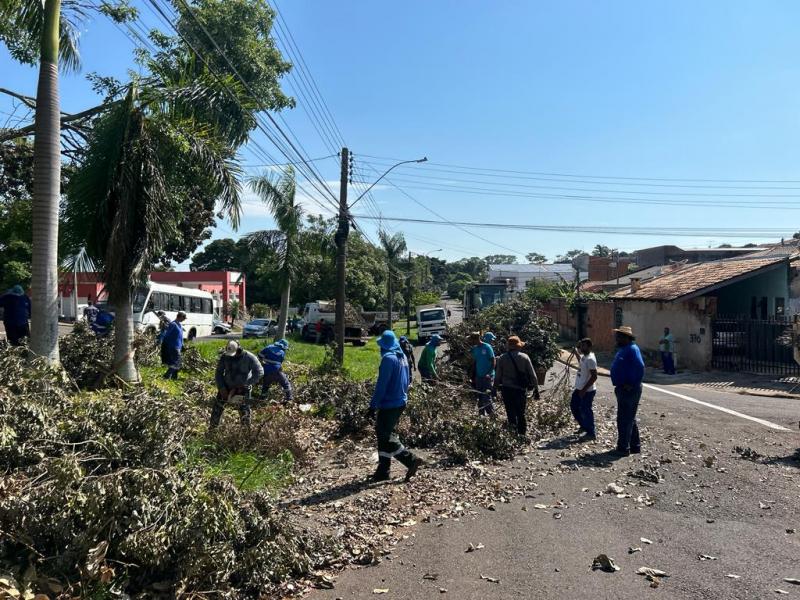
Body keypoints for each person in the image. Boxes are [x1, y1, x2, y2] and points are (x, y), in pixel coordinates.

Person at [368, 330, 422, 482]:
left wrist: (373, 406)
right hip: (400, 401)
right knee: (383, 436)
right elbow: (407, 379)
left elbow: (381, 386)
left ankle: (410, 460)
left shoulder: (388, 359)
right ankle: (383, 471)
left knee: (385, 435)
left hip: (389, 404)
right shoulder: (402, 357)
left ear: (384, 346)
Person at [211, 340, 264, 428]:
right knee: (217, 409)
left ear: (239, 349)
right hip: (226, 386)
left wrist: (246, 384)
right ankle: (212, 430)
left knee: (245, 413)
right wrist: (221, 388)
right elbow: (219, 372)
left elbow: (259, 372)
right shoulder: (225, 356)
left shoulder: (250, 357)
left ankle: (245, 434)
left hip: (243, 389)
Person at [610, 325, 646, 456]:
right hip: (622, 388)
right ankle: (635, 446)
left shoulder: (632, 349)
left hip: (629, 390)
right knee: (630, 418)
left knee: (624, 419)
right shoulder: (624, 349)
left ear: (626, 337)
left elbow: (640, 367)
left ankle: (623, 448)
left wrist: (631, 383)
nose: (617, 338)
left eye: (619, 336)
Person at [494, 336, 538, 436]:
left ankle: (513, 435)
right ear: (518, 346)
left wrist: (494, 389)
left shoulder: (502, 358)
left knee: (510, 413)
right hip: (520, 390)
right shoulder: (524, 357)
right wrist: (536, 390)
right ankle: (522, 435)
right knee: (521, 413)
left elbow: (497, 376)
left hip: (507, 389)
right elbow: (533, 375)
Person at [570, 338, 598, 442]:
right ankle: (584, 426)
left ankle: (591, 433)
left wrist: (584, 390)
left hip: (587, 391)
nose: (582, 347)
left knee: (586, 410)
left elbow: (594, 376)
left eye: (584, 346)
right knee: (574, 407)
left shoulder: (590, 359)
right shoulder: (584, 357)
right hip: (579, 388)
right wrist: (576, 353)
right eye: (581, 346)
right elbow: (581, 363)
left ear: (589, 347)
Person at [258, 338, 293, 403]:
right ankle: (289, 399)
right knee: (286, 383)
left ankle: (262, 398)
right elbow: (280, 362)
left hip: (266, 371)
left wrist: (263, 361)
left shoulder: (268, 347)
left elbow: (260, 355)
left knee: (266, 385)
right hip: (277, 371)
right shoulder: (282, 352)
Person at [469, 332, 496, 416]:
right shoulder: (475, 349)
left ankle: (492, 416)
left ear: (476, 339)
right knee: (480, 397)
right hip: (479, 376)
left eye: (471, 340)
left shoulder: (487, 347)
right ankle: (481, 416)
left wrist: (489, 373)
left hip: (487, 376)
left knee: (486, 397)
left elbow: (493, 361)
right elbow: (475, 362)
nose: (470, 341)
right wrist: (471, 375)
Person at [161, 311, 186, 380]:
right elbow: (167, 336)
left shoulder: (180, 325)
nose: (184, 319)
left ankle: (174, 377)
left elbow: (180, 336)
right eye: (183, 318)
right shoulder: (173, 324)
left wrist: (183, 345)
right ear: (180, 316)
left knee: (177, 362)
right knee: (176, 363)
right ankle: (166, 376)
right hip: (173, 347)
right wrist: (166, 346)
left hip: (178, 346)